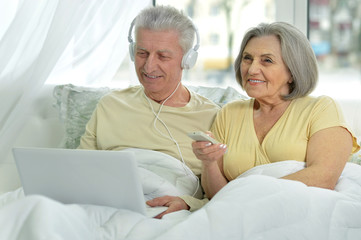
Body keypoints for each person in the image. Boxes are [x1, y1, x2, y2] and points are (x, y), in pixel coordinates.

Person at [77, 5, 220, 217]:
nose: (148, 66)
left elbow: (226, 192)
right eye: (142, 53)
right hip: (103, 202)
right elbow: (78, 170)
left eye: (162, 56)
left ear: (187, 60)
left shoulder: (212, 116)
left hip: (162, 209)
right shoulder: (111, 105)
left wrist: (190, 203)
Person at [192, 22, 360, 199]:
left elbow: (323, 178)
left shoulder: (321, 109)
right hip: (239, 214)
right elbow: (216, 196)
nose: (252, 69)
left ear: (292, 72)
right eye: (247, 58)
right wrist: (209, 163)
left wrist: (246, 197)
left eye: (267, 60)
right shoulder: (229, 113)